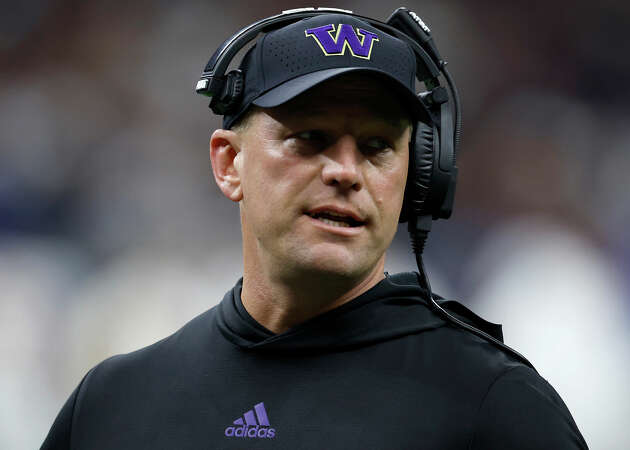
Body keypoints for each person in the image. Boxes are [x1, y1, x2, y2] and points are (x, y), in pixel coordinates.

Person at [42, 9, 588, 449]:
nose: (346, 172)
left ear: (417, 178)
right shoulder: (115, 401)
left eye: (377, 146)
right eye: (310, 138)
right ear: (230, 164)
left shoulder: (494, 404)